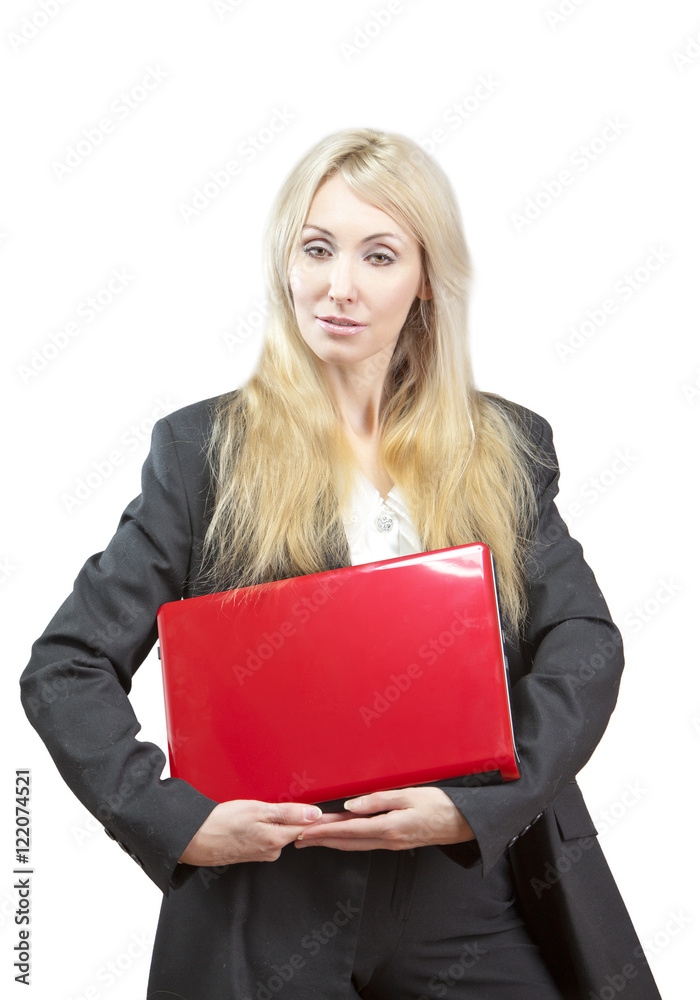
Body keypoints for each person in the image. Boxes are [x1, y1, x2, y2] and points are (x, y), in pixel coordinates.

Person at [20, 128, 662, 1000]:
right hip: (269, 895)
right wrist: (178, 819)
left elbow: (585, 643)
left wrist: (474, 808)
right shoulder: (203, 450)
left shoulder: (503, 444)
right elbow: (67, 664)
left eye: (379, 255)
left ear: (425, 280)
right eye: (317, 248)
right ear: (286, 264)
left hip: (461, 883)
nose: (339, 285)